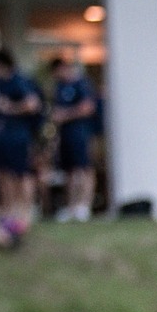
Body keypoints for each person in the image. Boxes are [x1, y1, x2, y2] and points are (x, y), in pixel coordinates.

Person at [0, 48, 41, 231]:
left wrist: (10, 108)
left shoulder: (19, 81)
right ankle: (10, 211)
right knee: (3, 173)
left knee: (21, 174)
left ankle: (25, 211)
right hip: (0, 137)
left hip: (18, 136)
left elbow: (32, 104)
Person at [48, 58, 100, 221]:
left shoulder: (81, 84)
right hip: (65, 135)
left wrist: (66, 115)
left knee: (84, 168)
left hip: (81, 133)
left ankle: (84, 205)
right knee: (69, 170)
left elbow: (88, 107)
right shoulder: (59, 87)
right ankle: (71, 206)